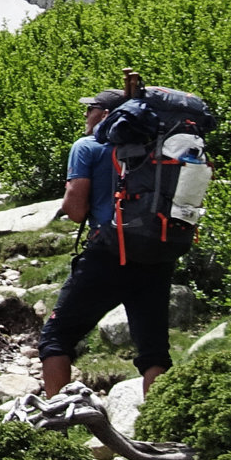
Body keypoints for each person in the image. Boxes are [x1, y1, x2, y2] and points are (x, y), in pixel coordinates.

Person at [37, 85, 177, 397]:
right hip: (158, 252)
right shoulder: (158, 147)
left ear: (105, 115)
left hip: (109, 252)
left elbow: (74, 210)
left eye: (90, 109)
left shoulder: (87, 146)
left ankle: (55, 430)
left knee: (56, 338)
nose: (85, 115)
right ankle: (158, 428)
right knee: (153, 350)